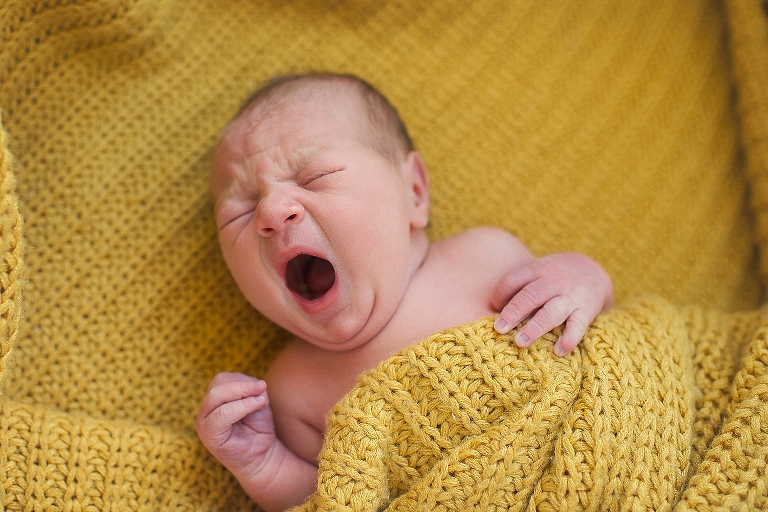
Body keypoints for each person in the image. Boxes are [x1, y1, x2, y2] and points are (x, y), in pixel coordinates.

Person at [196, 73, 613, 511]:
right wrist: (263, 466)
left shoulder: (488, 256)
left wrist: (587, 280)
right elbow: (328, 498)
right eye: (238, 213)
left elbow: (595, 339)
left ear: (413, 192)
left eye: (315, 176)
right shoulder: (292, 390)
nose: (271, 211)